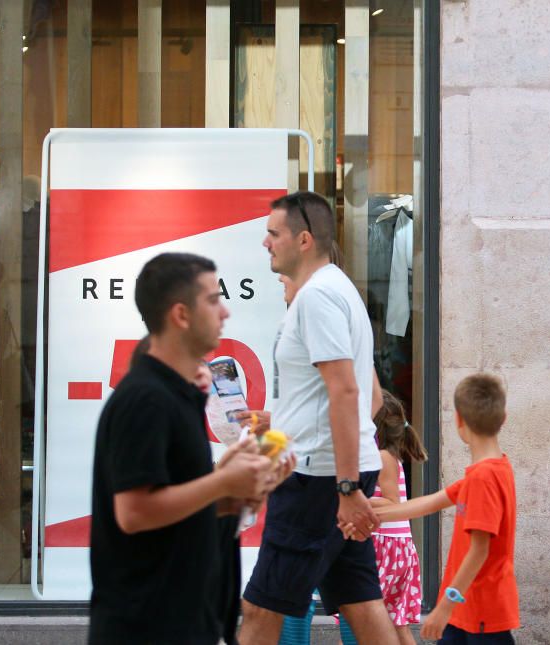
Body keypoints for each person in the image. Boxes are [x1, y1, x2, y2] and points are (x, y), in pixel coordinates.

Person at [89, 252, 275, 644]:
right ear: (181, 315)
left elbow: (182, 506)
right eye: (212, 299)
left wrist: (241, 494)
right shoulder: (145, 399)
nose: (224, 312)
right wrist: (223, 482)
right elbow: (135, 512)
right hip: (147, 625)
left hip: (185, 617)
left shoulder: (178, 395)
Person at [240, 192, 397, 644]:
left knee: (260, 608)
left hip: (319, 480)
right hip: (330, 474)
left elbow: (348, 390)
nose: (265, 243)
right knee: (361, 603)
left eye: (273, 233)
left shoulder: (318, 298)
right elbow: (351, 395)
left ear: (304, 239)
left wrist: (346, 487)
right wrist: (281, 421)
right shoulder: (333, 289)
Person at [347, 373, 520, 644]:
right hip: (464, 608)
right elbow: (421, 505)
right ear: (504, 418)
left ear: (459, 420)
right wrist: (356, 510)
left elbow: (480, 549)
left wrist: (445, 605)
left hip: (480, 609)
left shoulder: (483, 477)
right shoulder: (492, 470)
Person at [367, 389, 428, 644]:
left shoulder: (383, 457)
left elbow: (392, 502)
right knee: (396, 624)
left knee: (364, 620)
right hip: (395, 547)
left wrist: (357, 499)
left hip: (386, 547)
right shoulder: (387, 456)